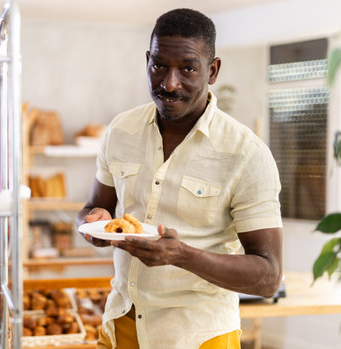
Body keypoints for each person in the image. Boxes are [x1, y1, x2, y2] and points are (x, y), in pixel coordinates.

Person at [76, 8, 283, 349]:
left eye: (188, 68)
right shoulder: (120, 131)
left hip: (199, 336)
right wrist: (92, 222)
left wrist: (181, 255)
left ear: (212, 71)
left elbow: (268, 277)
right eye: (159, 65)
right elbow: (94, 208)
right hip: (121, 325)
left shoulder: (245, 153)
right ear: (147, 61)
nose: (170, 84)